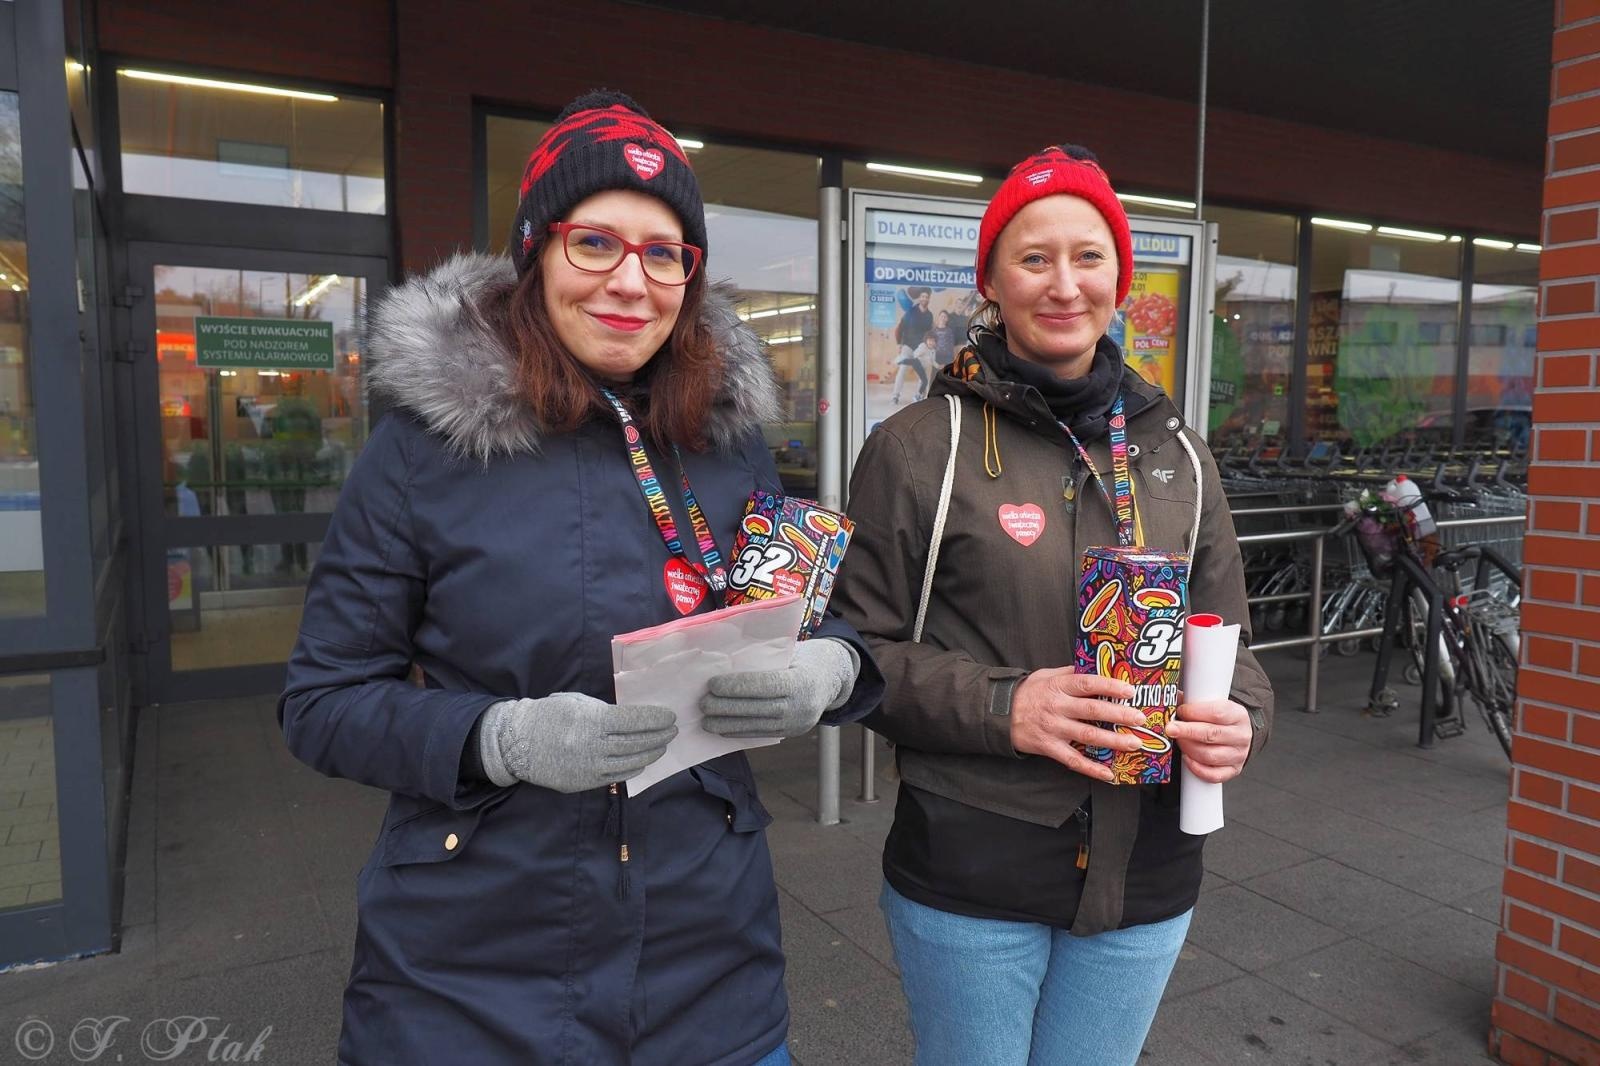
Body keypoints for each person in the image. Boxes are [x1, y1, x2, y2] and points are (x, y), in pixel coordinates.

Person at [279, 90, 883, 1066]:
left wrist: (832, 672)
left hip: (711, 971)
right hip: (472, 981)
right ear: (536, 254)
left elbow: (820, 614)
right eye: (594, 242)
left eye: (663, 252)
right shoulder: (422, 450)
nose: (631, 280)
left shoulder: (725, 442)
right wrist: (500, 736)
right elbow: (322, 700)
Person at [832, 144, 1274, 1066]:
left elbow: (1234, 650)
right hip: (971, 871)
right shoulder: (918, 447)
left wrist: (1242, 721)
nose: (1064, 284)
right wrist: (1009, 706)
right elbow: (849, 655)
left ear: (1120, 273)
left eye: (1089, 255)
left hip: (1149, 872)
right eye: (1034, 258)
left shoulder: (1178, 453)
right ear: (990, 280)